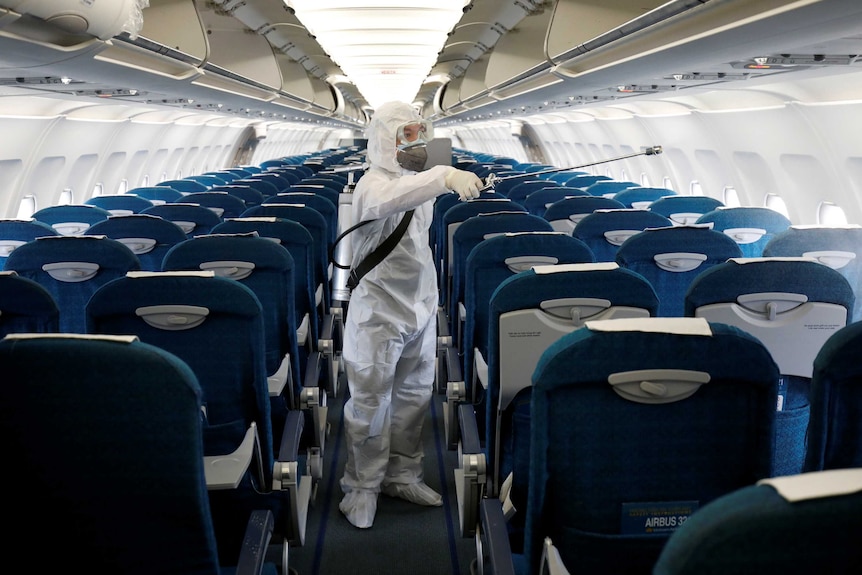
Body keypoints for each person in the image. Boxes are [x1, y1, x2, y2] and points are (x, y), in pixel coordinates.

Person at [339, 100, 483, 529]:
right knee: (370, 402)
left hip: (419, 305)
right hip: (379, 311)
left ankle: (403, 474)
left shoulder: (416, 183)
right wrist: (443, 175)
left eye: (421, 135)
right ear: (385, 140)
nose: (417, 145)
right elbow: (387, 203)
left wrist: (438, 178)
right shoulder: (372, 185)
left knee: (413, 398)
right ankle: (361, 487)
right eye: (407, 136)